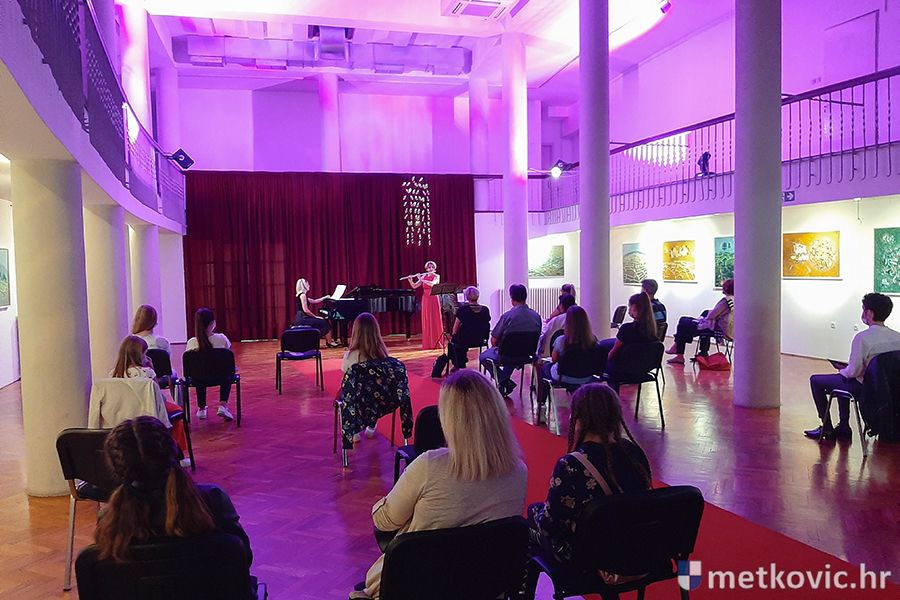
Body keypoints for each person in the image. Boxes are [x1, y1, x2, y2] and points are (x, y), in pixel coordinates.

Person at [350, 369, 527, 600]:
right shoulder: (519, 471)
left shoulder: (429, 466)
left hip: (416, 586)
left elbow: (383, 521)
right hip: (483, 587)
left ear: (449, 418)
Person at [94, 417, 260, 599]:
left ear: (116, 467)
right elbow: (242, 559)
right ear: (174, 452)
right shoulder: (213, 500)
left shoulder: (108, 521)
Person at [526, 384, 651, 591]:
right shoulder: (634, 453)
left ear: (578, 418)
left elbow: (551, 524)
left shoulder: (571, 465)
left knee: (531, 518)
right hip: (634, 550)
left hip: (590, 558)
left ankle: (523, 591)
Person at [804, 293, 900, 441]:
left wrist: (843, 370)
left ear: (869, 313)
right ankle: (843, 426)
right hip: (889, 390)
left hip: (866, 389)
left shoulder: (863, 338)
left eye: (863, 309)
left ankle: (827, 428)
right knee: (843, 379)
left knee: (817, 380)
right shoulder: (897, 337)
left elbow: (853, 371)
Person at [110, 335, 188, 462]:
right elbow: (157, 395)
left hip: (124, 410)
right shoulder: (147, 372)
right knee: (177, 411)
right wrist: (151, 368)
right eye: (145, 353)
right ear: (139, 355)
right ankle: (177, 453)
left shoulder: (113, 374)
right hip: (148, 408)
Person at [479, 284, 542, 396]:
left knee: (484, 357)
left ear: (512, 298)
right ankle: (504, 382)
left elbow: (494, 340)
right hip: (527, 355)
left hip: (506, 355)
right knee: (512, 355)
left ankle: (503, 381)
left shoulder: (507, 316)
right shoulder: (536, 316)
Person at [341, 312, 391, 440]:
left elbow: (345, 374)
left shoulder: (350, 356)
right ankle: (372, 425)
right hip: (379, 399)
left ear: (355, 332)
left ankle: (354, 429)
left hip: (356, 398)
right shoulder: (383, 355)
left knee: (349, 390)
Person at [666, 278, 734, 365]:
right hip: (730, 331)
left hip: (719, 330)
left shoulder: (726, 301)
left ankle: (679, 353)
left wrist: (711, 315)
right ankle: (702, 353)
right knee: (688, 324)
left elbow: (711, 316)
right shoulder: (736, 300)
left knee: (683, 322)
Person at [185, 308, 234, 421]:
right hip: (220, 377)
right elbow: (228, 357)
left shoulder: (192, 342)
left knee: (199, 371)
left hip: (199, 379)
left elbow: (190, 366)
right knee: (227, 372)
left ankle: (201, 408)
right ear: (213, 323)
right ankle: (223, 405)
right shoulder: (221, 338)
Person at [540, 306, 600, 392]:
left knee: (544, 367)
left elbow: (554, 359)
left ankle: (542, 398)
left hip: (564, 376)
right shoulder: (593, 341)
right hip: (587, 377)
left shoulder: (561, 341)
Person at [447, 286, 491, 370]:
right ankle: (461, 361)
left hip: (465, 340)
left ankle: (459, 364)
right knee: (461, 340)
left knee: (454, 343)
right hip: (481, 339)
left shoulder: (462, 310)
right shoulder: (485, 310)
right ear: (478, 296)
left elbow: (455, 329)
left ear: (466, 297)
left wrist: (454, 335)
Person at [405, 261, 443, 350]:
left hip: (434, 298)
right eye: (429, 267)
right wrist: (410, 280)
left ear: (434, 268)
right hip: (426, 299)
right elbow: (414, 286)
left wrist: (421, 279)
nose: (430, 269)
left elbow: (432, 284)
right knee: (427, 319)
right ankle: (428, 343)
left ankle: (437, 342)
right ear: (426, 269)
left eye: (432, 267)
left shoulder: (437, 276)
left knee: (435, 318)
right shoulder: (423, 276)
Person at [292, 278, 337, 347]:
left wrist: (324, 297)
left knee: (324, 321)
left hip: (301, 317)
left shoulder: (302, 295)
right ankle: (326, 342)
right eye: (307, 284)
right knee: (323, 322)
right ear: (304, 285)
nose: (309, 285)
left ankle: (329, 341)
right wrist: (315, 317)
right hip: (302, 318)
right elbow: (306, 310)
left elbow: (315, 301)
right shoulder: (303, 295)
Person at [538, 293, 576, 358]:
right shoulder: (578, 320)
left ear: (561, 306)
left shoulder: (555, 321)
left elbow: (546, 340)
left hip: (555, 356)